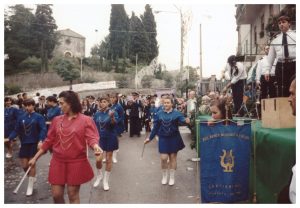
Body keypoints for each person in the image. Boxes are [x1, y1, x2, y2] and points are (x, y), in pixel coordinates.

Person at [28, 91, 102, 203]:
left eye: (62, 103)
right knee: (56, 195)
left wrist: (96, 146)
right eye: (59, 103)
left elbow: (91, 137)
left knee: (73, 195)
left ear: (71, 103)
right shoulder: (57, 120)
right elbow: (48, 141)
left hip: (76, 162)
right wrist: (35, 158)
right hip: (58, 162)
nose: (60, 106)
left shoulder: (86, 120)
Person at [144, 96, 190, 186]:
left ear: (172, 104)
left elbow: (183, 120)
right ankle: (164, 176)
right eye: (164, 103)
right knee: (163, 158)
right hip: (163, 138)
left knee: (173, 158)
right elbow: (155, 128)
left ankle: (172, 177)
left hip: (174, 138)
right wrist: (150, 138)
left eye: (168, 103)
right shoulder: (159, 113)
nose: (166, 104)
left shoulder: (177, 113)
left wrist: (186, 120)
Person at [8, 98, 47, 196]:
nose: (28, 107)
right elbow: (16, 130)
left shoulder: (39, 117)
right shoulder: (21, 117)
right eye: (26, 105)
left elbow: (43, 129)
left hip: (34, 143)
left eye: (30, 105)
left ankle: (30, 186)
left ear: (34, 105)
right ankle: (32, 177)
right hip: (25, 143)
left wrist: (41, 140)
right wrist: (10, 138)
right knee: (24, 165)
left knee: (31, 164)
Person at [93, 97, 118, 190]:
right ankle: (99, 175)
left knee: (108, 159)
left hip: (111, 138)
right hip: (100, 139)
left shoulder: (113, 112)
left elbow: (115, 124)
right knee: (98, 160)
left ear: (108, 103)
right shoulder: (97, 113)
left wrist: (112, 117)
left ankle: (106, 181)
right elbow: (94, 127)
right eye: (101, 102)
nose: (102, 103)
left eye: (104, 102)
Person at [266, 15, 296, 97]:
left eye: (283, 22)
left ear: (289, 24)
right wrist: (267, 71)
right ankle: (284, 108)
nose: (281, 24)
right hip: (281, 66)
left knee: (295, 88)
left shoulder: (296, 37)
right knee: (282, 89)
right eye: (279, 23)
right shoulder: (275, 40)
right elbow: (270, 57)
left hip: (294, 64)